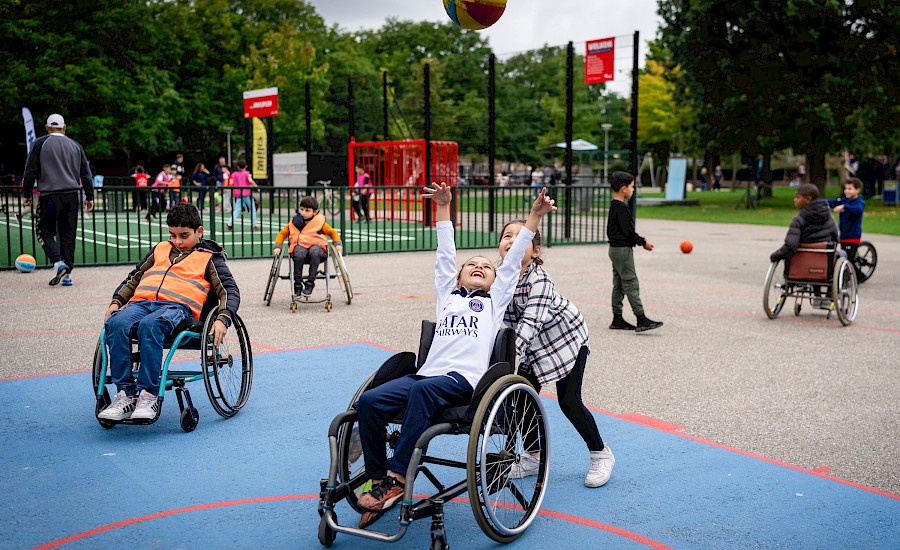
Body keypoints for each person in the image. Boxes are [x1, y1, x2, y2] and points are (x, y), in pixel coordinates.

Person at [354, 183, 555, 529]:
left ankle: (399, 478)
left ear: (497, 280)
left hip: (463, 382)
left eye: (486, 266)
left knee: (421, 392)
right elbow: (445, 253)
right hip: (426, 377)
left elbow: (513, 260)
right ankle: (378, 482)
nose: (479, 266)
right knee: (369, 401)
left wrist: (535, 216)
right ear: (458, 276)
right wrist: (443, 209)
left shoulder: (494, 303)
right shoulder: (447, 296)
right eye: (471, 264)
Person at [497, 219, 614, 488]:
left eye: (521, 237)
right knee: (522, 398)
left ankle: (600, 453)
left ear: (535, 251)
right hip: (534, 346)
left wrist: (505, 363)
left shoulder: (539, 280)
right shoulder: (499, 277)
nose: (512, 240)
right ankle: (534, 456)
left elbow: (529, 326)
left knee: (569, 400)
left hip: (565, 339)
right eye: (506, 236)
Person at [98, 203, 240, 421]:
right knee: (116, 323)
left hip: (177, 308)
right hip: (141, 304)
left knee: (150, 326)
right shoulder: (160, 249)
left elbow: (229, 290)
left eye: (184, 235)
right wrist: (116, 302)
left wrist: (223, 318)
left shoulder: (209, 257)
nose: (178, 241)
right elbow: (135, 276)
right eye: (173, 235)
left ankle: (149, 395)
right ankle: (125, 396)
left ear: (199, 231)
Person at [21, 113, 94, 287]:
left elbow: (30, 171)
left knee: (44, 230)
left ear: (47, 127)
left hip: (49, 195)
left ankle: (57, 262)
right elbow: (85, 173)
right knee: (68, 235)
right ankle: (67, 273)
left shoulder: (39, 143)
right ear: (64, 127)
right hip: (72, 195)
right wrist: (89, 196)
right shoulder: (76, 146)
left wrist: (27, 194)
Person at [607, 171, 663, 333]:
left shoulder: (613, 206)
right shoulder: (622, 209)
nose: (633, 190)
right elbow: (629, 233)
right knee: (631, 282)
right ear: (623, 188)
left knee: (618, 284)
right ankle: (641, 318)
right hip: (623, 251)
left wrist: (637, 240)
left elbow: (617, 232)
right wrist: (643, 242)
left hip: (614, 249)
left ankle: (617, 318)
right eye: (632, 187)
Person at [272, 195, 343, 297]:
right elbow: (282, 233)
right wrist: (278, 246)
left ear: (314, 212)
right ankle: (297, 285)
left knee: (314, 252)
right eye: (301, 209)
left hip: (317, 250)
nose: (303, 213)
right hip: (299, 249)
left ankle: (310, 284)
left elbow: (333, 232)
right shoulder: (294, 222)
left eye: (307, 210)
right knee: (298, 253)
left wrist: (338, 244)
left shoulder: (320, 222)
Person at [769, 183, 839, 270]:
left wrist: (776, 255)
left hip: (802, 262)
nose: (794, 200)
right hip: (824, 262)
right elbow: (835, 237)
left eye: (797, 197)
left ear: (808, 199)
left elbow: (790, 245)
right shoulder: (829, 216)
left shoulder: (798, 220)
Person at [826, 177, 865, 267]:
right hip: (844, 234)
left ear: (858, 190)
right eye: (845, 189)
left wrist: (844, 207)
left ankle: (857, 276)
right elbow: (833, 202)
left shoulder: (859, 202)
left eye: (850, 189)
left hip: (852, 235)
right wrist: (816, 202)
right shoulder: (845, 200)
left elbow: (858, 209)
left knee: (849, 260)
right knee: (844, 256)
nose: (846, 191)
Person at [226, 160, 258, 230]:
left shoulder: (234, 174)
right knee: (252, 209)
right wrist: (256, 187)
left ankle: (230, 223)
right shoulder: (247, 173)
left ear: (238, 167)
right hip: (247, 194)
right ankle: (254, 224)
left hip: (238, 194)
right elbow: (250, 180)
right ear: (246, 166)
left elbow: (231, 183)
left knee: (237, 210)